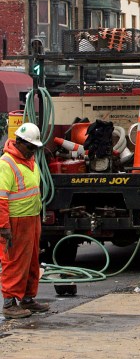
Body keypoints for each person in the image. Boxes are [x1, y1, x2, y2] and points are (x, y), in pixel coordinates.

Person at [0, 122, 49, 319]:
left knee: (31, 261)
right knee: (14, 261)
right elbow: (1, 199)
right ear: (19, 143)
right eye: (30, 147)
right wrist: (4, 227)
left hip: (31, 218)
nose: (33, 152)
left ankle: (28, 298)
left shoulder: (30, 161)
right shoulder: (6, 163)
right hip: (15, 221)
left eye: (35, 148)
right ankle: (9, 302)